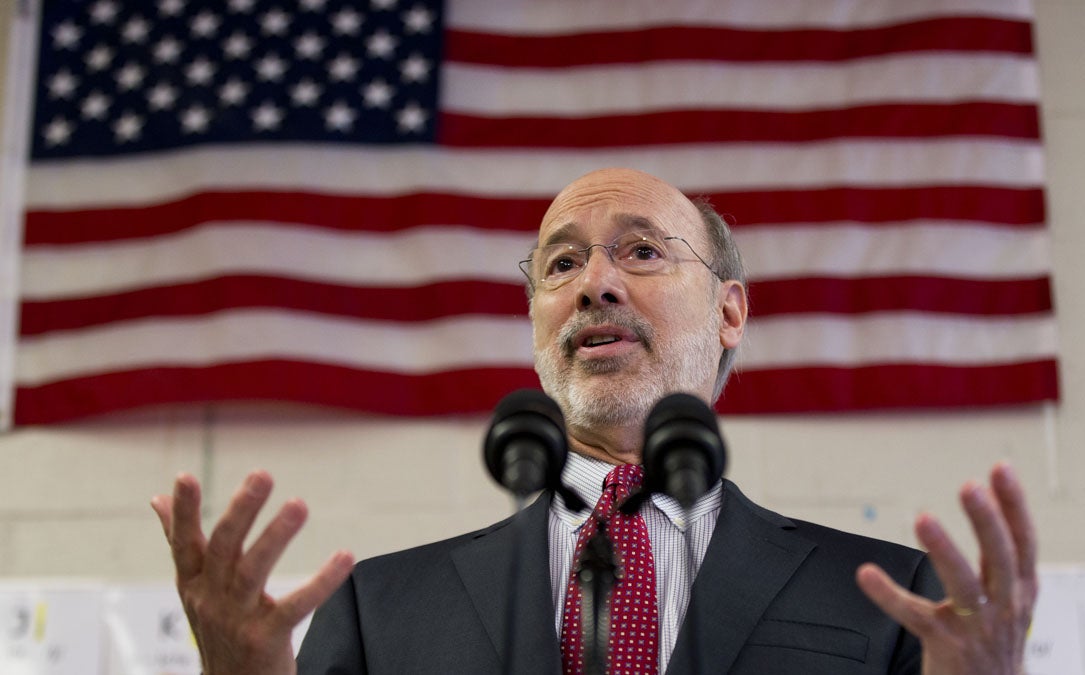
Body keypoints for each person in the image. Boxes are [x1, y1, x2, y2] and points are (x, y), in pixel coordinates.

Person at [151, 168, 1038, 674]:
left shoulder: (888, 596)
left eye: (642, 251)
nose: (595, 284)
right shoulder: (381, 611)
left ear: (730, 311)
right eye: (561, 263)